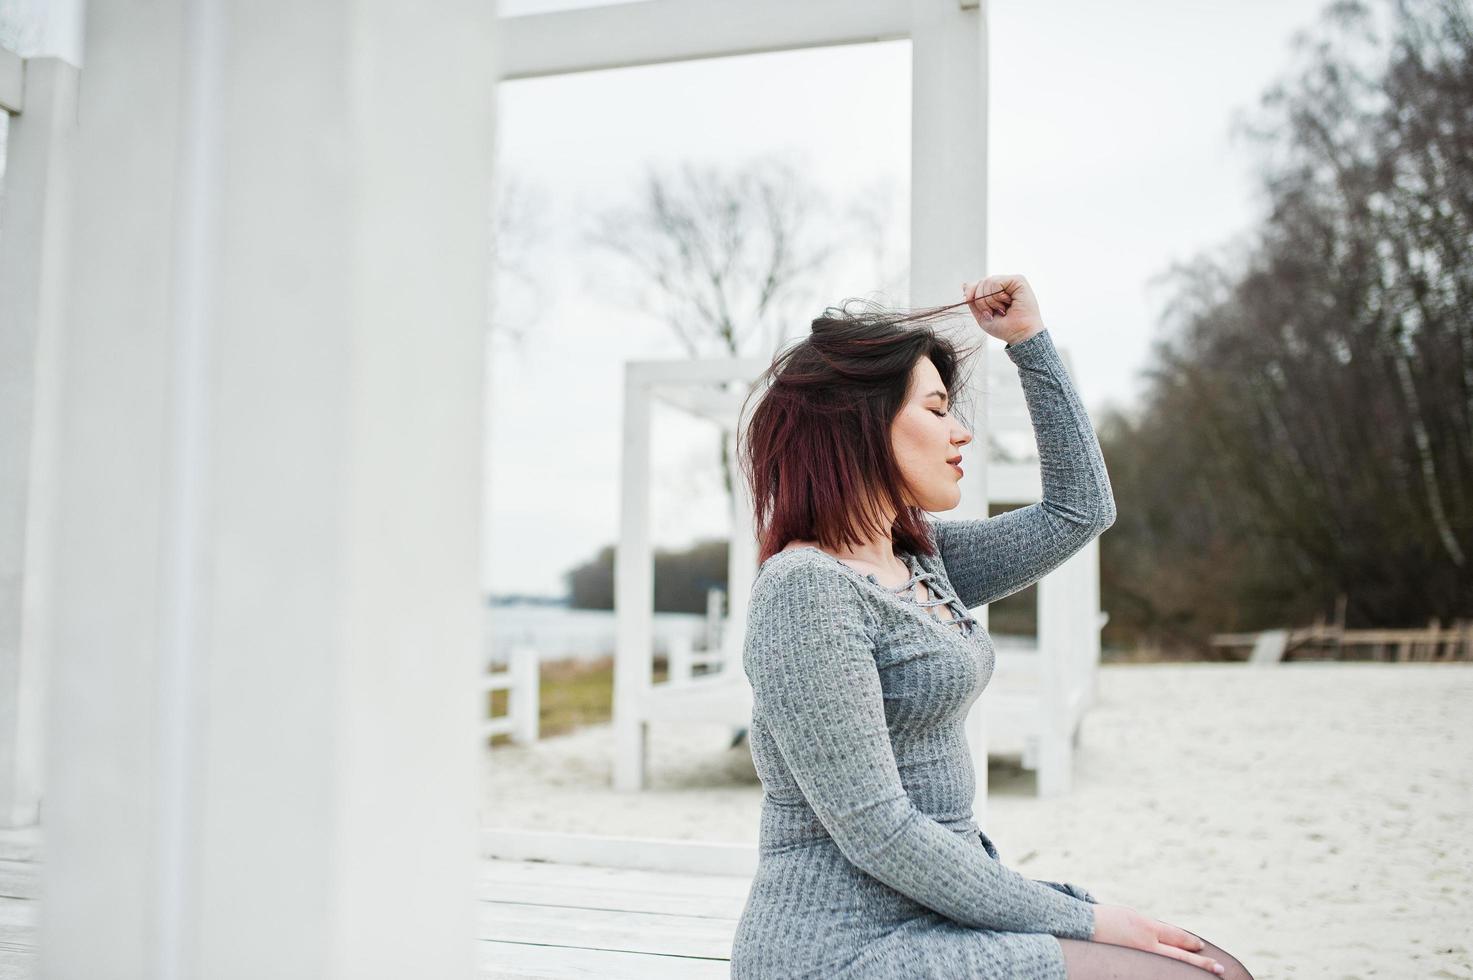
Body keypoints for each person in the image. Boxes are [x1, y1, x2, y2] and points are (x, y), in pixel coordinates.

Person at [728, 276, 1254, 979]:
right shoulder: (805, 592)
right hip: (841, 949)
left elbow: (1079, 511)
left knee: (1210, 965)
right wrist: (1085, 916)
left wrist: (1030, 345)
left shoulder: (923, 562)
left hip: (940, 915)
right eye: (937, 408)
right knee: (1186, 975)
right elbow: (878, 831)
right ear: (860, 423)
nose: (960, 432)